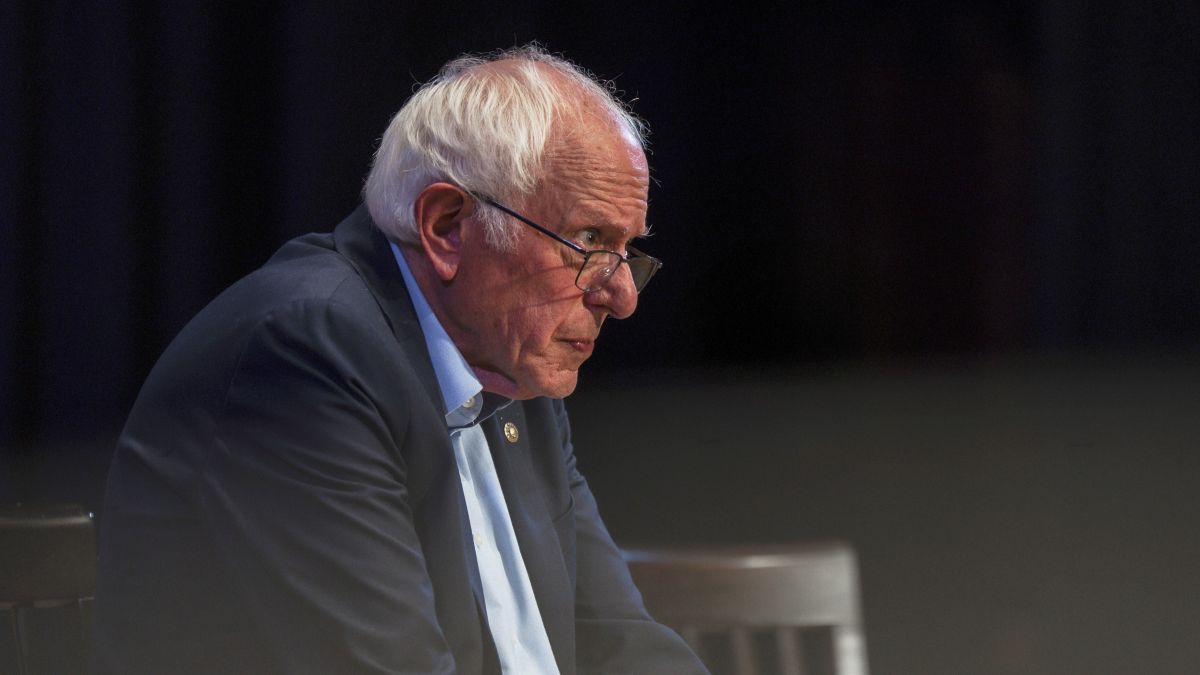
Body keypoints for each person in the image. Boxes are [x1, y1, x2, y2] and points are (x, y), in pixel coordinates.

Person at [91, 45, 708, 674]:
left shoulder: (514, 366)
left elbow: (619, 640)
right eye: (588, 242)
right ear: (445, 226)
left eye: (628, 251)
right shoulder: (305, 355)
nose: (623, 296)